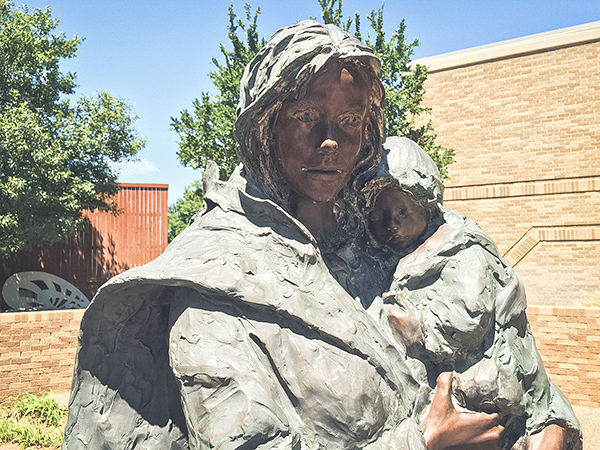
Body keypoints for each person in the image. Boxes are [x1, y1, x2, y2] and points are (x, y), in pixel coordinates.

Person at [63, 21, 508, 450]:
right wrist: (421, 443)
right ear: (265, 125)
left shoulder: (385, 230)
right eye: (306, 116)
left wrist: (553, 418)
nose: (330, 140)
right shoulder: (212, 281)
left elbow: (499, 321)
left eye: (350, 120)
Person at [363, 136, 582, 450]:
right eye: (378, 217)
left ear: (428, 205)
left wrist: (420, 330)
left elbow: (470, 313)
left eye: (403, 214)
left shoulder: (463, 252)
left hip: (482, 386)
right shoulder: (387, 258)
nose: (391, 225)